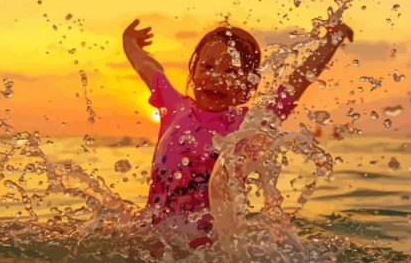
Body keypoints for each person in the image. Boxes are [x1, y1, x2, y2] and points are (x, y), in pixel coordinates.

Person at [122, 19, 353, 248]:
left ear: (248, 86)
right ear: (193, 72)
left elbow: (297, 82)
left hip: (209, 248)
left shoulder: (249, 125)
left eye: (231, 71)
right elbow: (149, 67)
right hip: (154, 235)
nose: (216, 77)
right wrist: (130, 42)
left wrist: (330, 42)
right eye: (207, 67)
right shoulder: (175, 108)